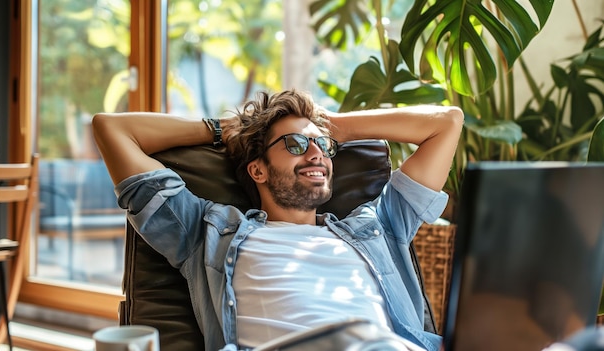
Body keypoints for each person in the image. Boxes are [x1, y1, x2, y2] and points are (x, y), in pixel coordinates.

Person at [92, 89, 464, 351]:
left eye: (324, 147)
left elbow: (447, 122)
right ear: (258, 169)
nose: (317, 154)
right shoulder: (208, 232)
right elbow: (112, 129)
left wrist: (329, 126)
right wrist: (227, 128)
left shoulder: (375, 227)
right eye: (296, 145)